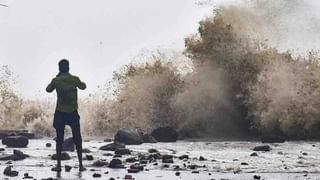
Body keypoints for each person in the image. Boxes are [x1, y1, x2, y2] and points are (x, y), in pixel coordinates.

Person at [46, 59, 86, 172]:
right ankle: (81, 165)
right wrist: (82, 84)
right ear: (68, 67)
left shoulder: (56, 80)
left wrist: (57, 76)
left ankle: (58, 165)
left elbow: (48, 90)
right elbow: (83, 86)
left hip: (60, 113)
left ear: (59, 68)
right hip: (73, 112)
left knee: (59, 139)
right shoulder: (74, 79)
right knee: (78, 138)